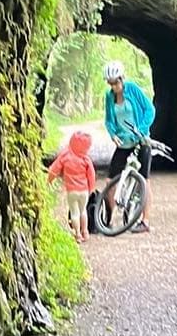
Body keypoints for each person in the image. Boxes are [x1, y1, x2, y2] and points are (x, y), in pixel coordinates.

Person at [102, 60, 156, 233]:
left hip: (141, 141)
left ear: (122, 79)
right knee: (110, 180)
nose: (114, 87)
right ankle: (107, 218)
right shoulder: (109, 97)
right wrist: (113, 134)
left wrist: (141, 130)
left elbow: (150, 109)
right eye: (111, 84)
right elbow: (109, 120)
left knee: (144, 180)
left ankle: (145, 221)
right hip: (123, 143)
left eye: (116, 82)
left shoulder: (132, 89)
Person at [46, 128, 97, 244]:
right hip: (84, 190)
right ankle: (85, 232)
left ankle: (77, 234)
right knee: (83, 211)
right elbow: (91, 175)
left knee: (74, 212)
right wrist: (91, 188)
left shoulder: (65, 156)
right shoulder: (86, 159)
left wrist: (49, 181)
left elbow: (54, 169)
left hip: (72, 191)